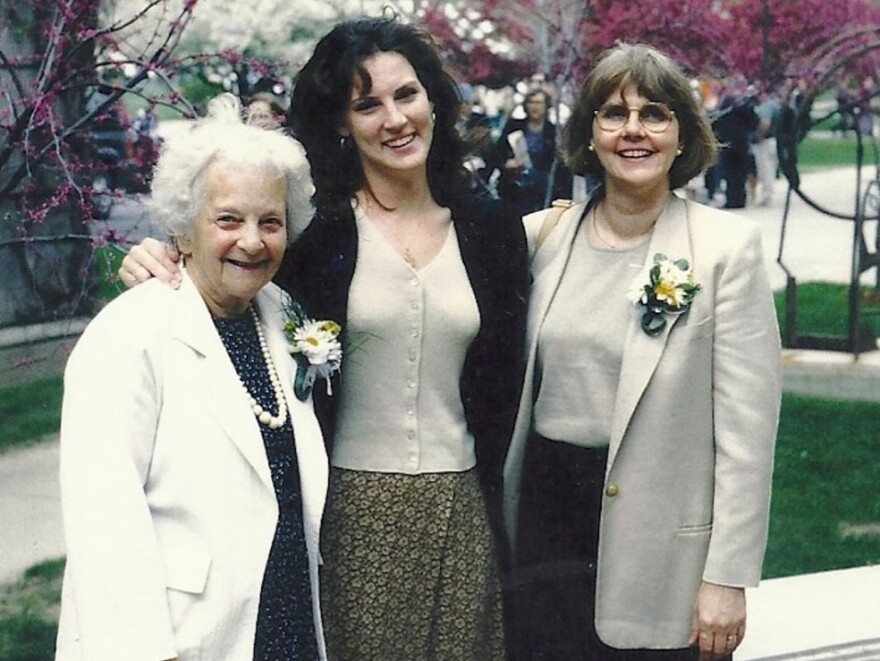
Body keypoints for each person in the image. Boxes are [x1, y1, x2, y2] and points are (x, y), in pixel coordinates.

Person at [118, 16, 529, 661]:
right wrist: (158, 254)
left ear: (432, 101)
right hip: (350, 515)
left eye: (406, 94)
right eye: (367, 104)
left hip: (464, 511)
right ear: (343, 123)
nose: (394, 119)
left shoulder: (489, 228)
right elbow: (228, 277)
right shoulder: (316, 236)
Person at [503, 43, 782, 661]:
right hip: (545, 528)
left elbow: (748, 435)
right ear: (590, 133)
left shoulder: (724, 250)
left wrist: (727, 577)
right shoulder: (539, 238)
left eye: (655, 114)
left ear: (681, 135)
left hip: (662, 550)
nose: (634, 130)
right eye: (613, 113)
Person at [57, 94, 329, 661]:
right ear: (183, 227)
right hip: (182, 637)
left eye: (270, 221)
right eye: (227, 219)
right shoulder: (128, 336)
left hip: (283, 621)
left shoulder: (282, 314)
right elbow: (105, 533)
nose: (252, 241)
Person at [492, 88, 572, 219]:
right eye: (531, 102)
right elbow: (497, 153)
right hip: (515, 188)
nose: (535, 106)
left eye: (539, 102)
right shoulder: (514, 126)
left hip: (543, 191)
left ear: (546, 106)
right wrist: (507, 163)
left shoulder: (554, 132)